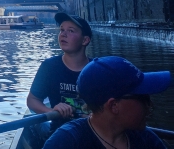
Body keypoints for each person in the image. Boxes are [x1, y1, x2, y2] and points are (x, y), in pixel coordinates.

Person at [43, 56, 171, 148]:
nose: (150, 105)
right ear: (114, 105)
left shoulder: (147, 140)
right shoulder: (66, 142)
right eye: (143, 98)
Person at [27, 12, 93, 141]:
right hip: (59, 134)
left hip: (93, 134)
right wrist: (51, 111)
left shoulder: (98, 70)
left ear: (85, 40)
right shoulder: (49, 67)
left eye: (71, 30)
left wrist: (94, 117)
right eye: (62, 30)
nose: (63, 34)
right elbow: (32, 100)